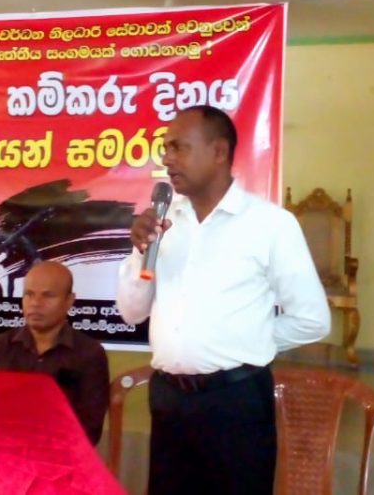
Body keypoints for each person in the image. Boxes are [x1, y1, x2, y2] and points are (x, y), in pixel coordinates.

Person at [115, 105, 331, 494]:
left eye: (179, 147)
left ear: (218, 152)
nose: (166, 158)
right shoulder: (162, 223)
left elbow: (312, 319)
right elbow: (132, 313)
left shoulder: (270, 224)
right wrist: (139, 252)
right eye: (165, 148)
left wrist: (246, 342)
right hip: (168, 400)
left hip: (236, 402)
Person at [0, 261, 110, 445]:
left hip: (61, 453)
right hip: (6, 449)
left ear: (69, 301)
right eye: (29, 294)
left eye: (48, 295)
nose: (35, 303)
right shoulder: (1, 347)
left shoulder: (89, 353)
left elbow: (90, 429)